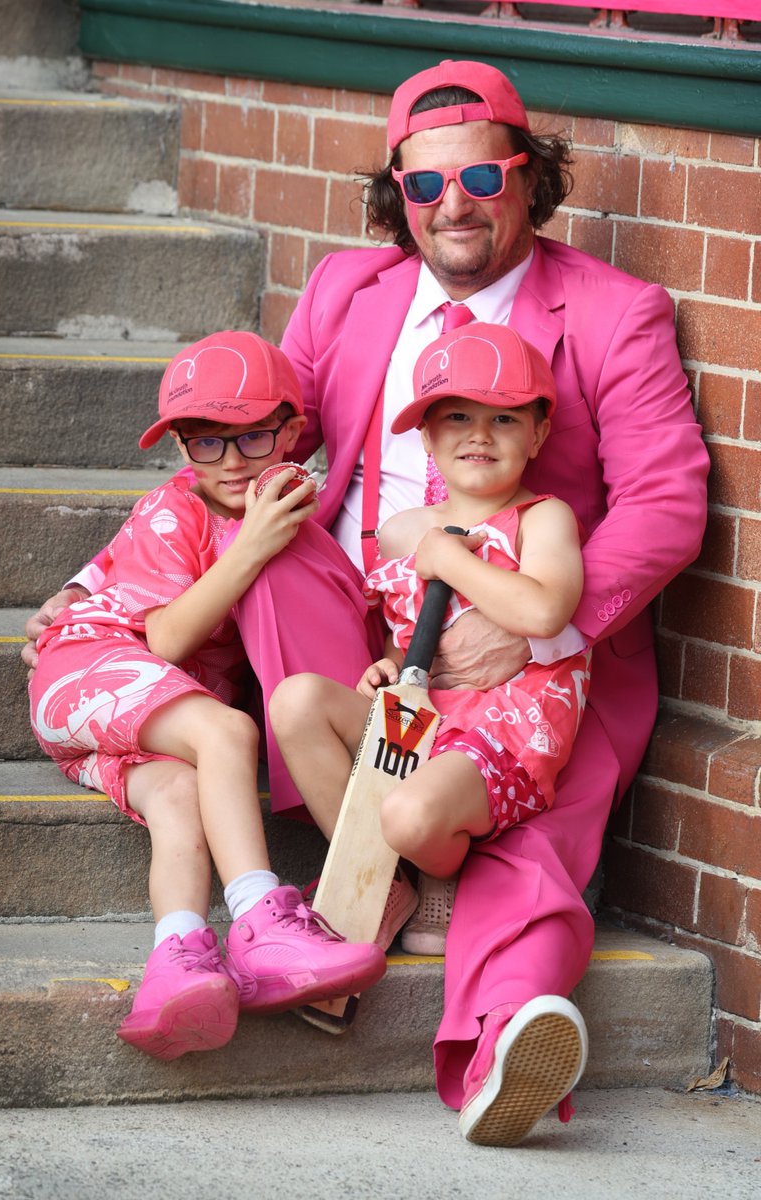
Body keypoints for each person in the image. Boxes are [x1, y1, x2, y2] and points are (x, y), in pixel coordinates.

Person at [23, 59, 710, 1144]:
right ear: (396, 191)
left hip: (525, 647)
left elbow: (666, 504)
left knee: (524, 831)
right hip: (360, 627)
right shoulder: (349, 287)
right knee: (274, 537)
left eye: (481, 178)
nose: (455, 207)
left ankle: (498, 1035)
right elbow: (242, 459)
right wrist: (92, 587)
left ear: (527, 177)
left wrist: (545, 623)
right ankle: (385, 852)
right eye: (426, 187)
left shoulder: (615, 311)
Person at [272, 321, 594, 1138]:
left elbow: (544, 608)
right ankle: (391, 883)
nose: (479, 435)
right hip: (429, 713)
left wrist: (447, 558)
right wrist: (382, 665)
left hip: (506, 727)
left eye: (504, 418)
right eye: (456, 416)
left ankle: (435, 875)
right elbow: (411, 633)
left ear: (540, 430)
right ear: (424, 430)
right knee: (298, 703)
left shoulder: (542, 518)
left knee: (409, 813)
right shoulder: (407, 525)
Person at [27, 330, 386, 1062]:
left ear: (292, 431)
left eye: (252, 438)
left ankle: (177, 965)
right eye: (205, 443)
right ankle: (259, 918)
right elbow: (161, 640)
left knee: (182, 800)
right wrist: (249, 545)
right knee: (225, 734)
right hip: (90, 664)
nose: (229, 463)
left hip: (118, 727)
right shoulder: (178, 509)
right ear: (181, 447)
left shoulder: (285, 516)